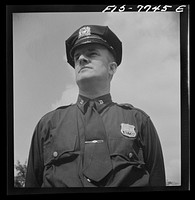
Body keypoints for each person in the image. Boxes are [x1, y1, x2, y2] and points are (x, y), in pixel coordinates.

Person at [25, 25, 166, 187]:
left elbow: (158, 181)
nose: (81, 59)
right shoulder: (48, 124)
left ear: (112, 68)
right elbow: (31, 185)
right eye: (77, 56)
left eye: (92, 53)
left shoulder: (139, 121)